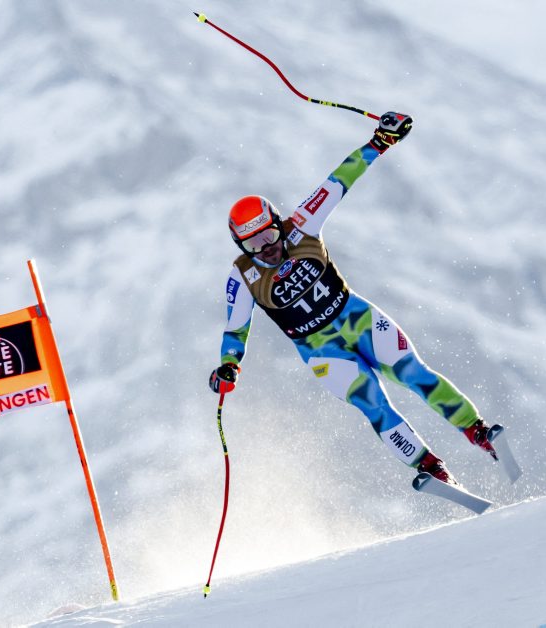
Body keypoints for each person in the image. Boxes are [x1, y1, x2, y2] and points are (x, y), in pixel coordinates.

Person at [209, 112, 501, 485]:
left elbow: (340, 179)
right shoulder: (242, 276)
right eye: (252, 245)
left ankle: (476, 430)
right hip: (321, 352)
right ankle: (430, 468)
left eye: (268, 236)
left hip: (357, 319)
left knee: (413, 373)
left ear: (279, 224)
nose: (265, 249)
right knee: (372, 402)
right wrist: (228, 366)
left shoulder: (303, 225)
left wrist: (381, 141)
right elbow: (236, 330)